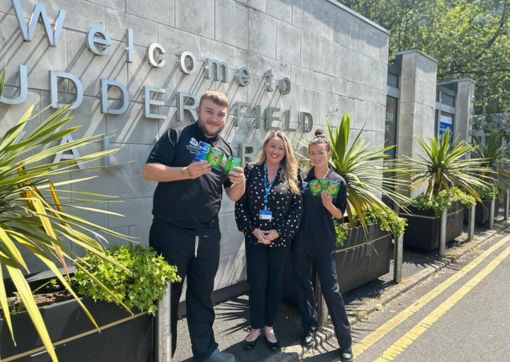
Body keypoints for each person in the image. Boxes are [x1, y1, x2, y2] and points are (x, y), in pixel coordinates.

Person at [143, 90, 245, 362]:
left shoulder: (226, 150)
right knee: (166, 298)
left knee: (202, 294)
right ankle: (162, 355)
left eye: (220, 114)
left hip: (208, 235)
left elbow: (232, 195)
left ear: (226, 118)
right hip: (171, 232)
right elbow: (149, 170)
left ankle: (206, 351)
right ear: (199, 111)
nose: (214, 118)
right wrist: (184, 172)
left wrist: (241, 184)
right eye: (209, 111)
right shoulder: (177, 135)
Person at [234, 131, 303, 352]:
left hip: (279, 241)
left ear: (286, 152)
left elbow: (297, 210)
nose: (275, 151)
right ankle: (255, 327)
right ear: (265, 147)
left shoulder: (293, 174)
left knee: (274, 284)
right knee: (257, 284)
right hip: (255, 239)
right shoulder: (251, 171)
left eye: (280, 148)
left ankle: (269, 327)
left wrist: (279, 232)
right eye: (272, 146)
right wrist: (252, 229)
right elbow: (240, 204)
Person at [291, 129, 354, 362]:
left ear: (328, 153)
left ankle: (345, 342)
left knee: (332, 291)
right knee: (303, 286)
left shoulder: (338, 181)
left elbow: (342, 217)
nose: (316, 157)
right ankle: (309, 329)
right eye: (312, 153)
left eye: (320, 153)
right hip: (301, 241)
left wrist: (330, 207)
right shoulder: (302, 178)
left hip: (324, 242)